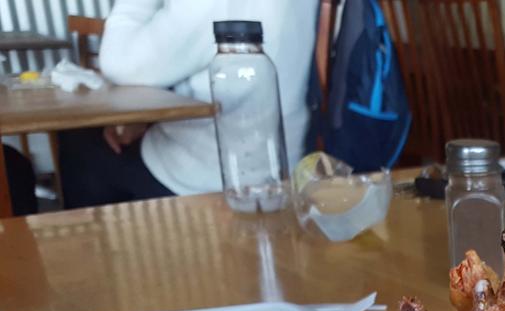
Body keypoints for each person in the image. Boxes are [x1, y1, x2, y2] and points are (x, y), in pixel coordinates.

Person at [58, 0, 318, 209]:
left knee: (79, 142)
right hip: (282, 158)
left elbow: (118, 64)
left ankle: (109, 262)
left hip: (218, 179)